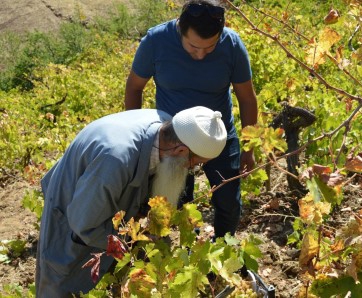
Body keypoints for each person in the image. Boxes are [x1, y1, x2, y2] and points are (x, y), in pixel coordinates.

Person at [35, 106, 227, 297]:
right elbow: (84, 224)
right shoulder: (115, 159)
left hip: (103, 196)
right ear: (181, 149)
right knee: (60, 280)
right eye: (195, 164)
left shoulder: (165, 131)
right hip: (73, 209)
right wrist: (130, 241)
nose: (192, 168)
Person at [125, 0, 258, 238]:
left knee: (229, 202)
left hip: (219, 135)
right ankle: (185, 249)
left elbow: (247, 98)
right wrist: (136, 138)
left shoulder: (232, 45)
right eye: (193, 47)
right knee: (177, 203)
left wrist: (249, 147)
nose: (200, 55)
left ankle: (223, 250)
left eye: (209, 48)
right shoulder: (156, 42)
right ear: (180, 29)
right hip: (174, 138)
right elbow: (134, 88)